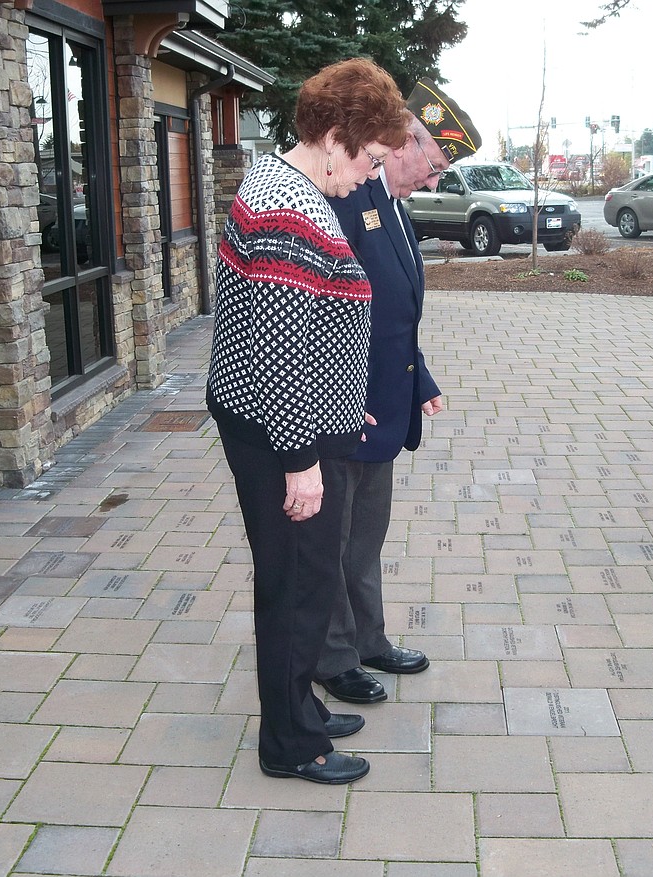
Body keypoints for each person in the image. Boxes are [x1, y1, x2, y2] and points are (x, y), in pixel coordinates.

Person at [206, 58, 409, 785]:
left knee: (309, 574)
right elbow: (279, 350)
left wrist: (341, 396)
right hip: (276, 432)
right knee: (294, 583)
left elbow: (301, 329)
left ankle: (302, 709)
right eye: (370, 159)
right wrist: (300, 460)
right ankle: (289, 742)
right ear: (333, 138)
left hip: (281, 419)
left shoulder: (285, 187)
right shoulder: (290, 209)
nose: (368, 177)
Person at [315, 80, 482, 703]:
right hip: (345, 406)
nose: (435, 182)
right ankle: (332, 658)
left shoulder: (390, 203)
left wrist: (421, 381)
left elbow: (392, 312)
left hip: (382, 402)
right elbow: (334, 313)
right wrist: (343, 398)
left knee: (365, 536)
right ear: (407, 139)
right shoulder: (345, 199)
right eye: (434, 166)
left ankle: (368, 640)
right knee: (332, 541)